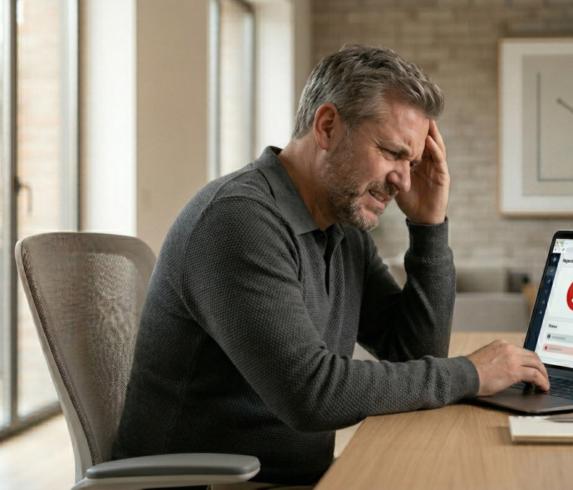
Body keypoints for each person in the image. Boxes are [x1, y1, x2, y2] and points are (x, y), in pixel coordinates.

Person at [112, 44, 549, 487]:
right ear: (327, 126)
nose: (403, 180)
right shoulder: (237, 220)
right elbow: (312, 394)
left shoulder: (342, 229)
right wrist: (471, 373)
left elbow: (415, 355)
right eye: (392, 152)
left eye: (412, 162)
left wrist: (428, 226)